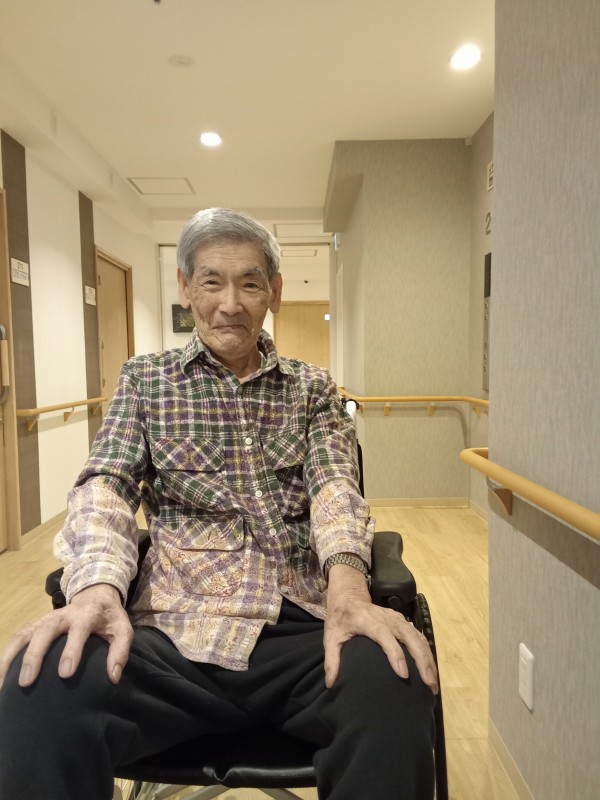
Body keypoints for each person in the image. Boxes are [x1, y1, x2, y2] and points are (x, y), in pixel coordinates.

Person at [0, 208, 438, 799]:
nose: (230, 304)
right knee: (42, 688)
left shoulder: (312, 389)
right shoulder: (146, 382)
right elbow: (106, 485)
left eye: (250, 283)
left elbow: (336, 488)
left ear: (274, 292)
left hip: (301, 629)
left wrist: (349, 592)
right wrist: (97, 590)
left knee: (393, 684)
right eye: (211, 282)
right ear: (186, 287)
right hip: (170, 633)